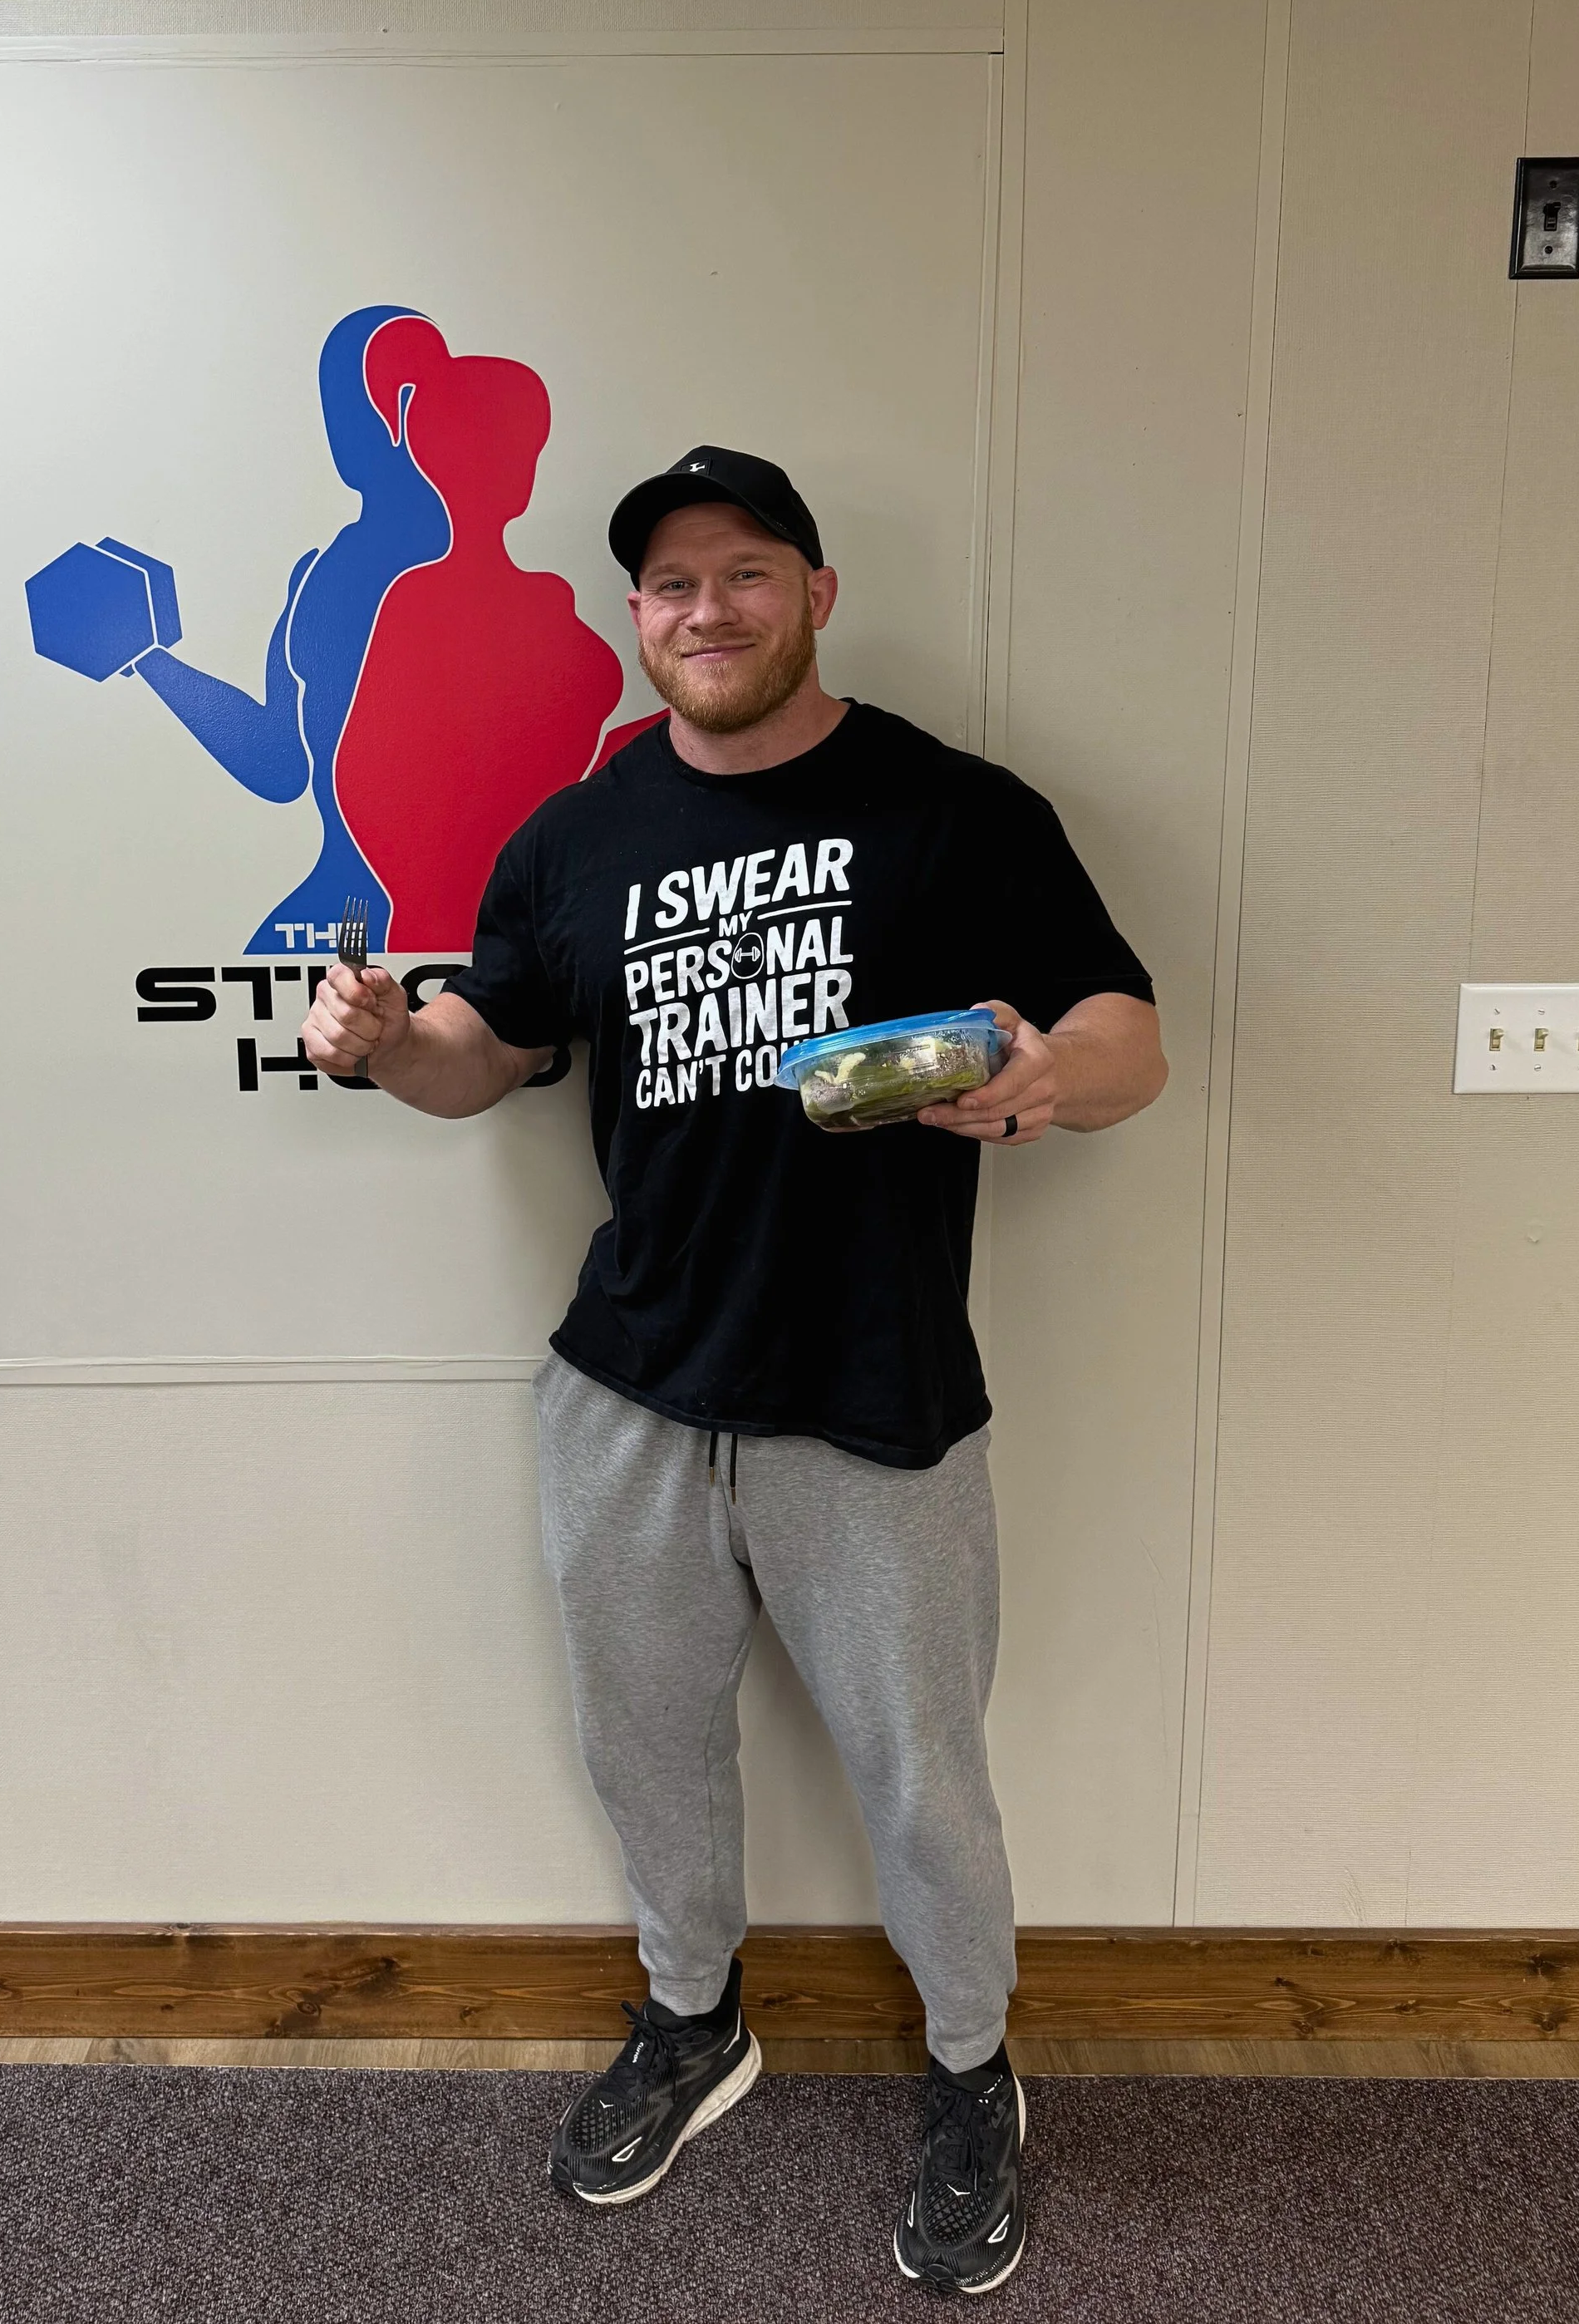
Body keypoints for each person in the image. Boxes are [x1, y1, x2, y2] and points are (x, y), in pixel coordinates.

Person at [301, 445, 1166, 2296]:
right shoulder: (578, 834)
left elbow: (1125, 1033)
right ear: (638, 619)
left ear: (815, 592)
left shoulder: (953, 810)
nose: (707, 610)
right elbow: (482, 1052)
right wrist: (381, 1038)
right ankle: (692, 2018)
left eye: (746, 573)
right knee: (648, 1749)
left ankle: (967, 2071)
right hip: (626, 1387)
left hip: (875, 1396)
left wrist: (1037, 1074)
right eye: (671, 585)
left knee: (919, 1774)